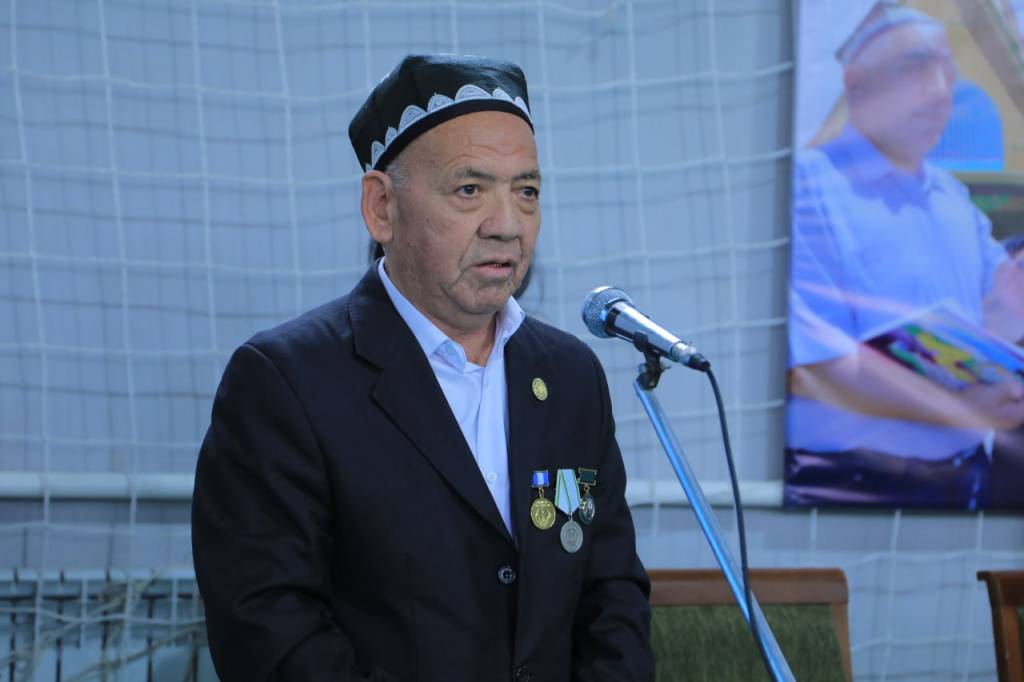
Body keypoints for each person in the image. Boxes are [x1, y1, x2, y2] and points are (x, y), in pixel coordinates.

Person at [191, 54, 655, 681]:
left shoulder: (570, 377)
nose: (507, 226)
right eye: (470, 190)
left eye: (526, 192)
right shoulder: (285, 382)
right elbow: (268, 630)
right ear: (382, 207)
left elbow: (610, 595)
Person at [786, 2, 1024, 509]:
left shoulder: (951, 198)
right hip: (848, 489)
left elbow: (996, 312)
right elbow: (812, 369)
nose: (940, 92)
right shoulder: (809, 190)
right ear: (856, 84)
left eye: (949, 73)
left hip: (966, 476)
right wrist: (963, 408)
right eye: (917, 68)